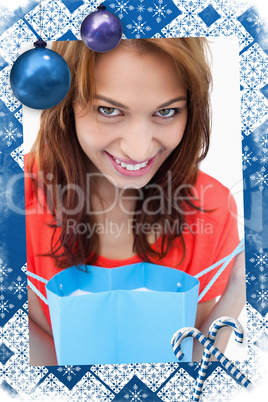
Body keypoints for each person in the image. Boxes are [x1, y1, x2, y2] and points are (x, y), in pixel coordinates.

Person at [25, 38, 245, 366]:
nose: (139, 150)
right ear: (66, 100)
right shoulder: (15, 201)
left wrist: (239, 291)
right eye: (109, 110)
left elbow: (189, 371)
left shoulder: (211, 209)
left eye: (166, 111)